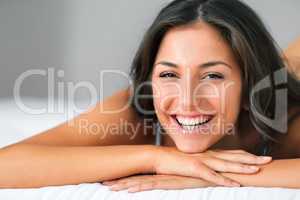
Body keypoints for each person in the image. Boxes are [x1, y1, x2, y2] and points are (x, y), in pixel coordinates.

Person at [1, 0, 300, 192]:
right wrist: (157, 157)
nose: (186, 101)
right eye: (169, 74)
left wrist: (211, 174)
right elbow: (7, 166)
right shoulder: (137, 109)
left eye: (213, 76)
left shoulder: (283, 117)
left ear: (250, 88)